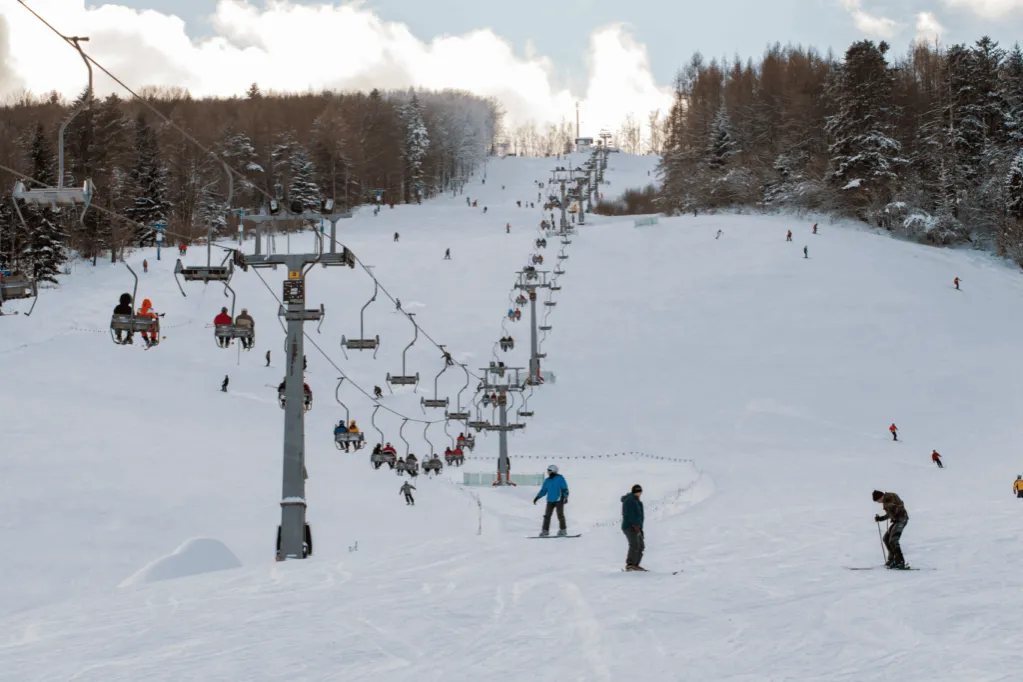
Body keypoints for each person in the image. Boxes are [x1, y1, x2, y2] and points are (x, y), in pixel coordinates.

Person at [873, 489, 909, 569]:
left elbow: (899, 505)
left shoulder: (891, 496)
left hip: (901, 519)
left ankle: (900, 562)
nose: (878, 502)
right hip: (896, 521)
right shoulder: (886, 502)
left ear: (880, 497)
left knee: (893, 540)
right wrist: (880, 519)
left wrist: (892, 507)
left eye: (877, 500)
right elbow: (889, 514)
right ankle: (892, 560)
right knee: (886, 538)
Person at [532, 464, 569, 537]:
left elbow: (565, 488)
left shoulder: (560, 478)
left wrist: (565, 497)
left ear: (553, 471)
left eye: (549, 471)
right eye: (547, 471)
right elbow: (543, 490)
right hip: (550, 500)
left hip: (559, 499)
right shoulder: (547, 480)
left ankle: (563, 530)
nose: (547, 472)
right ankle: (545, 531)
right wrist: (537, 497)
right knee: (547, 516)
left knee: (560, 515)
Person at [622, 484, 646, 571]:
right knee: (634, 545)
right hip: (629, 526)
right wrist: (635, 525)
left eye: (640, 492)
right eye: (638, 491)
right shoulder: (630, 500)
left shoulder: (636, 500)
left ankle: (636, 564)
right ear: (634, 492)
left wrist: (639, 527)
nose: (640, 493)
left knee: (641, 546)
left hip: (636, 526)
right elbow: (630, 514)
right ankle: (630, 564)